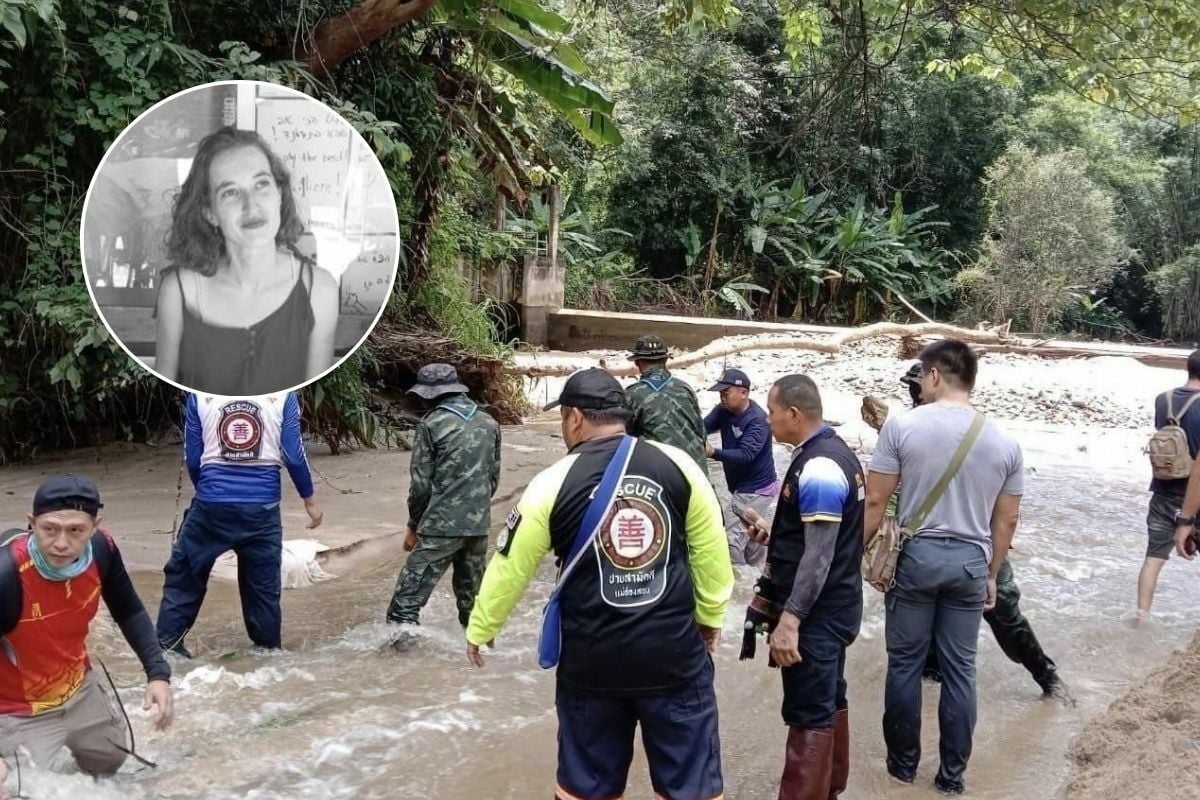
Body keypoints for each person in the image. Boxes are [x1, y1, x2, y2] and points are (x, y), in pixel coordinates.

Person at [465, 368, 733, 800]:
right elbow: (711, 554)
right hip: (674, 659)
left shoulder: (550, 483)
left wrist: (482, 626)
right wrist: (710, 617)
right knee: (693, 788)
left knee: (586, 789)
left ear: (573, 418)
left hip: (592, 665)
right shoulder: (680, 466)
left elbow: (510, 566)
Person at [864, 340, 1023, 796]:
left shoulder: (902, 428)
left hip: (917, 559)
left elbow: (876, 500)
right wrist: (991, 573)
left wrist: (858, 555)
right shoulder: (1005, 441)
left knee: (905, 665)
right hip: (971, 563)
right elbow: (1007, 520)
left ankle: (901, 769)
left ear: (933, 375)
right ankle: (951, 778)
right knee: (960, 670)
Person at [877, 365, 1068, 700]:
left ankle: (1046, 675)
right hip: (931, 543)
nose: (917, 395)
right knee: (927, 623)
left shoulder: (975, 432)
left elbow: (1003, 504)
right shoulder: (907, 430)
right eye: (912, 389)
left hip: (974, 542)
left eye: (918, 387)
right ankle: (931, 680)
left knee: (1003, 611)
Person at [0, 475, 172, 790]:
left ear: (94, 526)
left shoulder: (102, 550)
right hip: (17, 710)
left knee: (111, 764)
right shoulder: (6, 575)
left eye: (76, 530)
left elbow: (129, 610)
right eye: (49, 529)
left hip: (78, 691)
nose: (62, 543)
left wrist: (158, 674)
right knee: (18, 790)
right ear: (31, 523)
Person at [743, 375, 865, 800]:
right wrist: (774, 534)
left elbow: (820, 555)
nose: (768, 420)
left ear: (794, 414)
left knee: (809, 713)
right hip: (839, 606)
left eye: (772, 411)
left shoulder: (820, 468)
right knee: (829, 698)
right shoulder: (831, 455)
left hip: (817, 615)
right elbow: (817, 539)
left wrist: (789, 621)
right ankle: (831, 790)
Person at [154, 126, 339, 395]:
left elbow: (310, 401)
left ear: (279, 193)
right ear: (209, 213)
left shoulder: (318, 290)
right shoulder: (179, 290)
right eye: (230, 192)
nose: (251, 206)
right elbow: (164, 391)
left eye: (261, 184)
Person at [156, 392, 323, 657]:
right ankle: (267, 657)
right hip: (263, 508)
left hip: (211, 505)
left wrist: (209, 494)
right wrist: (309, 500)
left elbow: (193, 456)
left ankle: (168, 652)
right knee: (263, 590)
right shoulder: (284, 394)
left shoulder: (199, 393)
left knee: (184, 577)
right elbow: (293, 455)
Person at [387, 364, 502, 633]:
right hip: (478, 526)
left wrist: (414, 525)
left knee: (404, 606)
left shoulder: (431, 424)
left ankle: (402, 668)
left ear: (429, 394)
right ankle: (480, 659)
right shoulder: (489, 422)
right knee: (474, 607)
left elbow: (421, 486)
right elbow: (493, 479)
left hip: (440, 526)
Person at [1139, 350, 1200, 619]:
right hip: (1194, 497)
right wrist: (1187, 519)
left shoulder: (1162, 400)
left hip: (1162, 492)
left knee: (1153, 559)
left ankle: (1140, 618)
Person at [705, 368, 777, 566]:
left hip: (756, 489)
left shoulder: (757, 420)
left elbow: (746, 455)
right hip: (742, 487)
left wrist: (714, 453)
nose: (722, 398)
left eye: (726, 393)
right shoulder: (723, 411)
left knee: (730, 538)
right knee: (754, 539)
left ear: (743, 392)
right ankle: (756, 578)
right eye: (720, 394)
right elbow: (702, 427)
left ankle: (739, 583)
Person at [624, 334, 708, 472]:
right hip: (698, 474)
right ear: (665, 360)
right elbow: (702, 434)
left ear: (637, 362)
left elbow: (623, 440)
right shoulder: (685, 389)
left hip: (665, 477)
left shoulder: (633, 394)